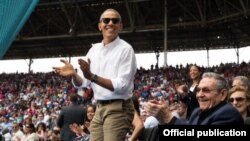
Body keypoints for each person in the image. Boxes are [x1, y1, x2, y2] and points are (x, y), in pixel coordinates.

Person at [53, 8, 137, 141]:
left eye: (115, 21)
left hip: (119, 107)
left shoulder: (126, 49)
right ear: (100, 26)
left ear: (120, 26)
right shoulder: (94, 50)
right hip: (99, 107)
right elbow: (84, 82)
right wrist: (74, 74)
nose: (110, 23)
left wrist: (92, 77)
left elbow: (122, 86)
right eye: (106, 20)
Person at [144, 72, 244, 125]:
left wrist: (169, 118)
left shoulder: (229, 114)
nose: (199, 95)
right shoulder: (196, 112)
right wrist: (162, 119)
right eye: (198, 90)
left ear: (222, 94)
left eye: (206, 90)